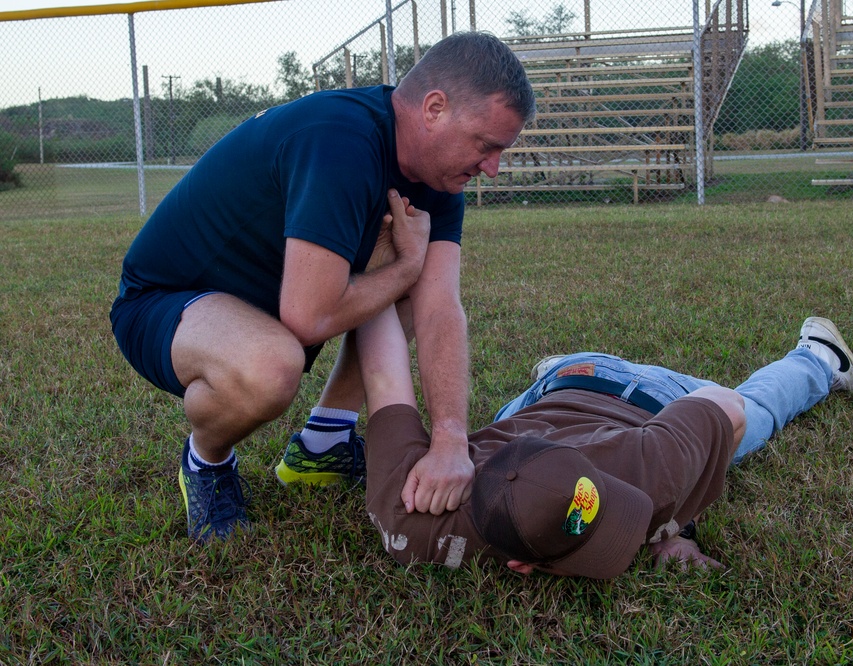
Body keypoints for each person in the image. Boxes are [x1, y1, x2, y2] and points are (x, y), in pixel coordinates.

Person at [109, 32, 536, 543]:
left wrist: (450, 439)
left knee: (403, 269)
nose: (492, 167)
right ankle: (207, 463)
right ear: (435, 108)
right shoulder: (341, 139)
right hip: (166, 301)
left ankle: (323, 443)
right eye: (486, 146)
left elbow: (440, 308)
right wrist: (403, 267)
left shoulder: (439, 177)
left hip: (261, 306)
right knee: (273, 363)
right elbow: (307, 319)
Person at [359, 310, 853, 578]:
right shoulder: (410, 519)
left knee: (754, 417)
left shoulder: (643, 468)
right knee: (505, 422)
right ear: (521, 566)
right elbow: (383, 376)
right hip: (568, 381)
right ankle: (559, 368)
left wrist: (674, 519)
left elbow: (723, 405)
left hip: (659, 397)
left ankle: (820, 357)